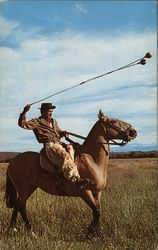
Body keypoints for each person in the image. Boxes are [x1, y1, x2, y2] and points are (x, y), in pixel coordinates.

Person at [18, 103, 89, 188]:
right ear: (42, 112)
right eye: (49, 111)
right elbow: (22, 124)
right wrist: (24, 112)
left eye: (51, 111)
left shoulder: (54, 121)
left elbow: (58, 132)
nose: (51, 113)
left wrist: (62, 133)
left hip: (59, 143)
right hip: (50, 145)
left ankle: (67, 171)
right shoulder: (37, 122)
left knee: (71, 147)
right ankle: (76, 180)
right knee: (64, 156)